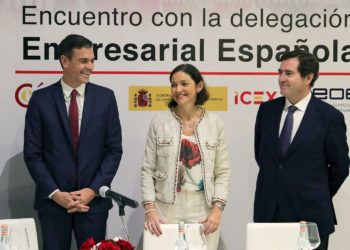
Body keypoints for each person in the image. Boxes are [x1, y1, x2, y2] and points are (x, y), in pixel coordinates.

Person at [23, 34, 123, 250]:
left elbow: (113, 150)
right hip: (53, 205)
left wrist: (93, 190)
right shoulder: (40, 100)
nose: (91, 67)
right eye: (84, 61)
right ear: (64, 61)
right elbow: (33, 153)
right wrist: (54, 193)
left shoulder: (106, 98)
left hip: (93, 205)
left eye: (92, 60)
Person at [254, 49, 349, 250]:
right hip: (269, 214)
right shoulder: (267, 111)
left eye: (288, 73)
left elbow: (341, 166)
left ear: (308, 77)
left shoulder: (329, 117)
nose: (281, 78)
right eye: (279, 72)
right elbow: (262, 156)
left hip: (310, 216)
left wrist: (316, 192)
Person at [141, 64, 230, 250]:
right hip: (165, 207)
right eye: (173, 85)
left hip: (203, 208)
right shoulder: (159, 121)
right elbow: (147, 169)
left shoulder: (215, 123)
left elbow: (222, 172)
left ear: (199, 86)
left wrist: (217, 210)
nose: (178, 90)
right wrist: (150, 210)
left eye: (184, 84)